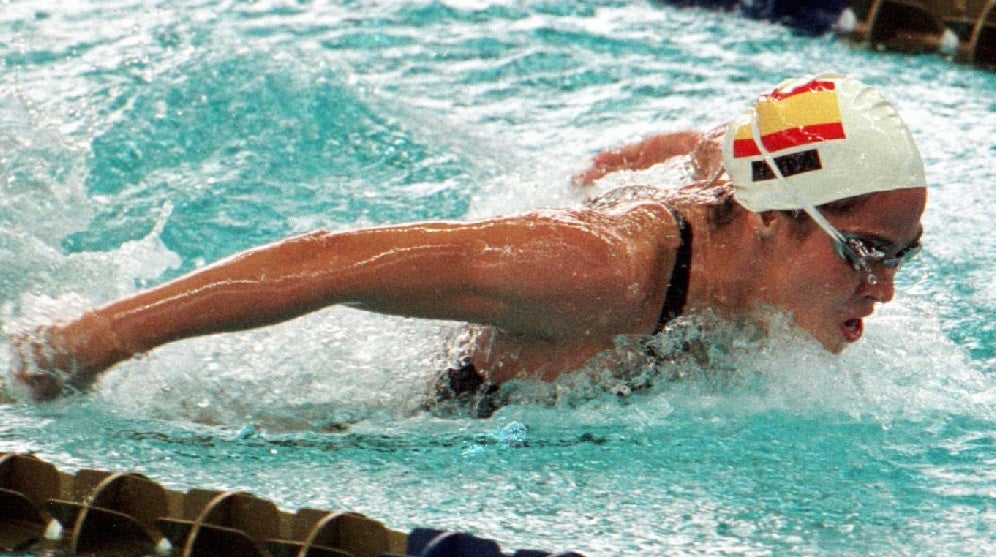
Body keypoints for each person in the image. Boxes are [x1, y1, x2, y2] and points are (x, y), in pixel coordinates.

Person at [8, 73, 927, 415]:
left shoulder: (757, 196)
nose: (882, 292)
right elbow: (327, 261)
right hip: (433, 411)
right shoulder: (589, 270)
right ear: (773, 219)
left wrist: (617, 160)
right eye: (868, 253)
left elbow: (716, 145)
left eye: (900, 256)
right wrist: (82, 346)